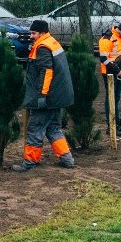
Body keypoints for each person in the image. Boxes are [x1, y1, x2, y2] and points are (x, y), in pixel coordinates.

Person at [16, 19, 75, 171]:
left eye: (33, 33)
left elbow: (47, 72)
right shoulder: (51, 42)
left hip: (48, 97)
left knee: (35, 128)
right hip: (59, 96)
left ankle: (29, 162)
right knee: (54, 128)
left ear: (41, 33)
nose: (31, 36)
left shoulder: (42, 47)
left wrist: (42, 95)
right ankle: (67, 159)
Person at [97, 17, 121, 134]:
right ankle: (111, 126)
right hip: (109, 72)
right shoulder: (107, 39)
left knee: (116, 98)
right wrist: (118, 71)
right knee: (111, 99)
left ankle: (117, 125)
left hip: (119, 71)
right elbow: (104, 59)